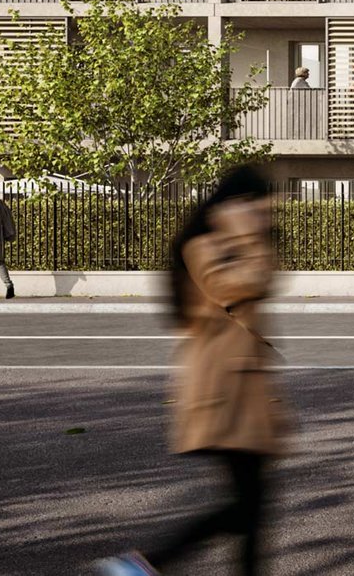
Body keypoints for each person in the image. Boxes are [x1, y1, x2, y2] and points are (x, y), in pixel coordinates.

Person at [94, 164, 287, 576]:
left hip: (243, 394)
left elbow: (263, 283)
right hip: (222, 395)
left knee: (251, 508)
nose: (268, 213)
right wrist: (247, 234)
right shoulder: (204, 246)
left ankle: (143, 566)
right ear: (237, 204)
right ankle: (143, 565)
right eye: (260, 204)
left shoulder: (231, 243)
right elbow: (239, 286)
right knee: (246, 507)